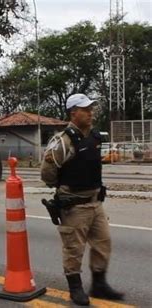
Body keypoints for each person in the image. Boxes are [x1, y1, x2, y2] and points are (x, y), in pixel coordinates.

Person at [40, 94, 124, 306]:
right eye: (85, 109)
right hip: (74, 206)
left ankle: (99, 284)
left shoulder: (95, 137)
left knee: (103, 244)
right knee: (74, 249)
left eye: (91, 109)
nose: (90, 112)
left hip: (96, 203)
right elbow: (47, 174)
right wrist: (65, 188)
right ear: (73, 113)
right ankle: (75, 289)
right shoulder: (63, 141)